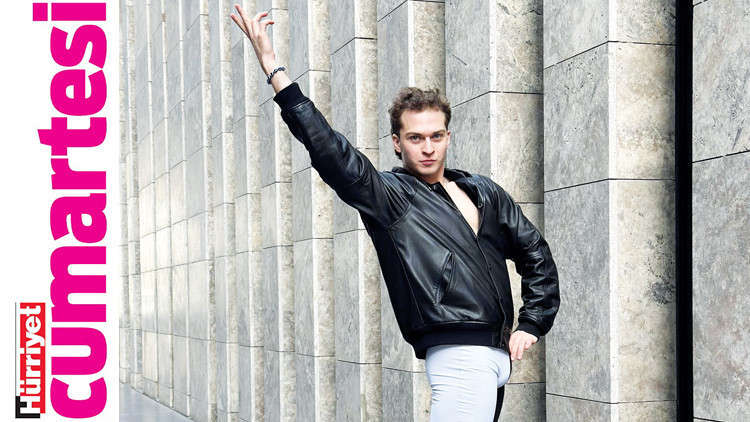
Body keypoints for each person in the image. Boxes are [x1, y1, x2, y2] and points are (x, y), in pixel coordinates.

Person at [231, 5, 560, 421]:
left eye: (436, 135)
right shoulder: (392, 197)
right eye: (416, 137)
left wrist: (532, 321)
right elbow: (331, 151)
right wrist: (274, 70)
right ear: (396, 142)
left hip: (495, 357)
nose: (428, 147)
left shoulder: (484, 192)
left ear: (448, 136)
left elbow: (535, 254)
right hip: (459, 355)